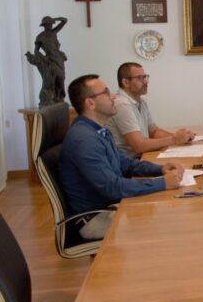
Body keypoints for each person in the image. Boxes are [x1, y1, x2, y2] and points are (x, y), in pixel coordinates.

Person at [58, 74, 185, 240]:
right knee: (165, 221)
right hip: (96, 218)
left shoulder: (98, 130)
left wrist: (160, 169)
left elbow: (125, 163)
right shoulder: (84, 139)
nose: (113, 96)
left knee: (170, 209)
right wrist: (163, 182)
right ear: (90, 103)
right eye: (106, 92)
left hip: (111, 205)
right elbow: (112, 187)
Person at [106, 63, 195, 157]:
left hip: (143, 156)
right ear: (126, 82)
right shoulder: (121, 104)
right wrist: (174, 139)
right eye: (140, 78)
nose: (145, 81)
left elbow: (154, 132)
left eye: (145, 77)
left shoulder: (141, 101)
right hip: (130, 163)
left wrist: (182, 137)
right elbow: (139, 146)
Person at [25, 16, 68, 106]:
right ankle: (50, 98)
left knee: (61, 77)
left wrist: (54, 19)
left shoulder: (53, 32)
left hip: (58, 57)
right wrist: (42, 57)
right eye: (48, 24)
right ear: (44, 25)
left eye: (51, 24)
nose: (50, 26)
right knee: (52, 78)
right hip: (49, 58)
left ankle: (59, 97)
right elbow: (36, 51)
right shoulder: (40, 37)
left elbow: (64, 20)